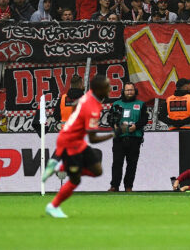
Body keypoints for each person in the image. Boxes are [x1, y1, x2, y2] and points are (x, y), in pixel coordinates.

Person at [43, 75, 114, 218]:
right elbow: (93, 139)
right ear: (100, 89)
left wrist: (77, 121)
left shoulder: (89, 96)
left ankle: (60, 167)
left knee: (97, 171)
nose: (110, 89)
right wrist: (114, 134)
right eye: (108, 86)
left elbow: (76, 104)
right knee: (76, 180)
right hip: (70, 141)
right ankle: (53, 206)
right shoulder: (92, 108)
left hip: (77, 140)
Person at [109, 82, 148, 192]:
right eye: (127, 90)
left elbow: (144, 119)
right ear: (123, 91)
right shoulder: (116, 104)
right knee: (117, 163)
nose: (129, 92)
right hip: (119, 138)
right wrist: (115, 125)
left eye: (131, 90)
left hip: (134, 138)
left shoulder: (141, 104)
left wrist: (136, 126)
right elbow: (109, 119)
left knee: (132, 164)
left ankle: (128, 186)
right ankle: (114, 186)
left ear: (135, 91)